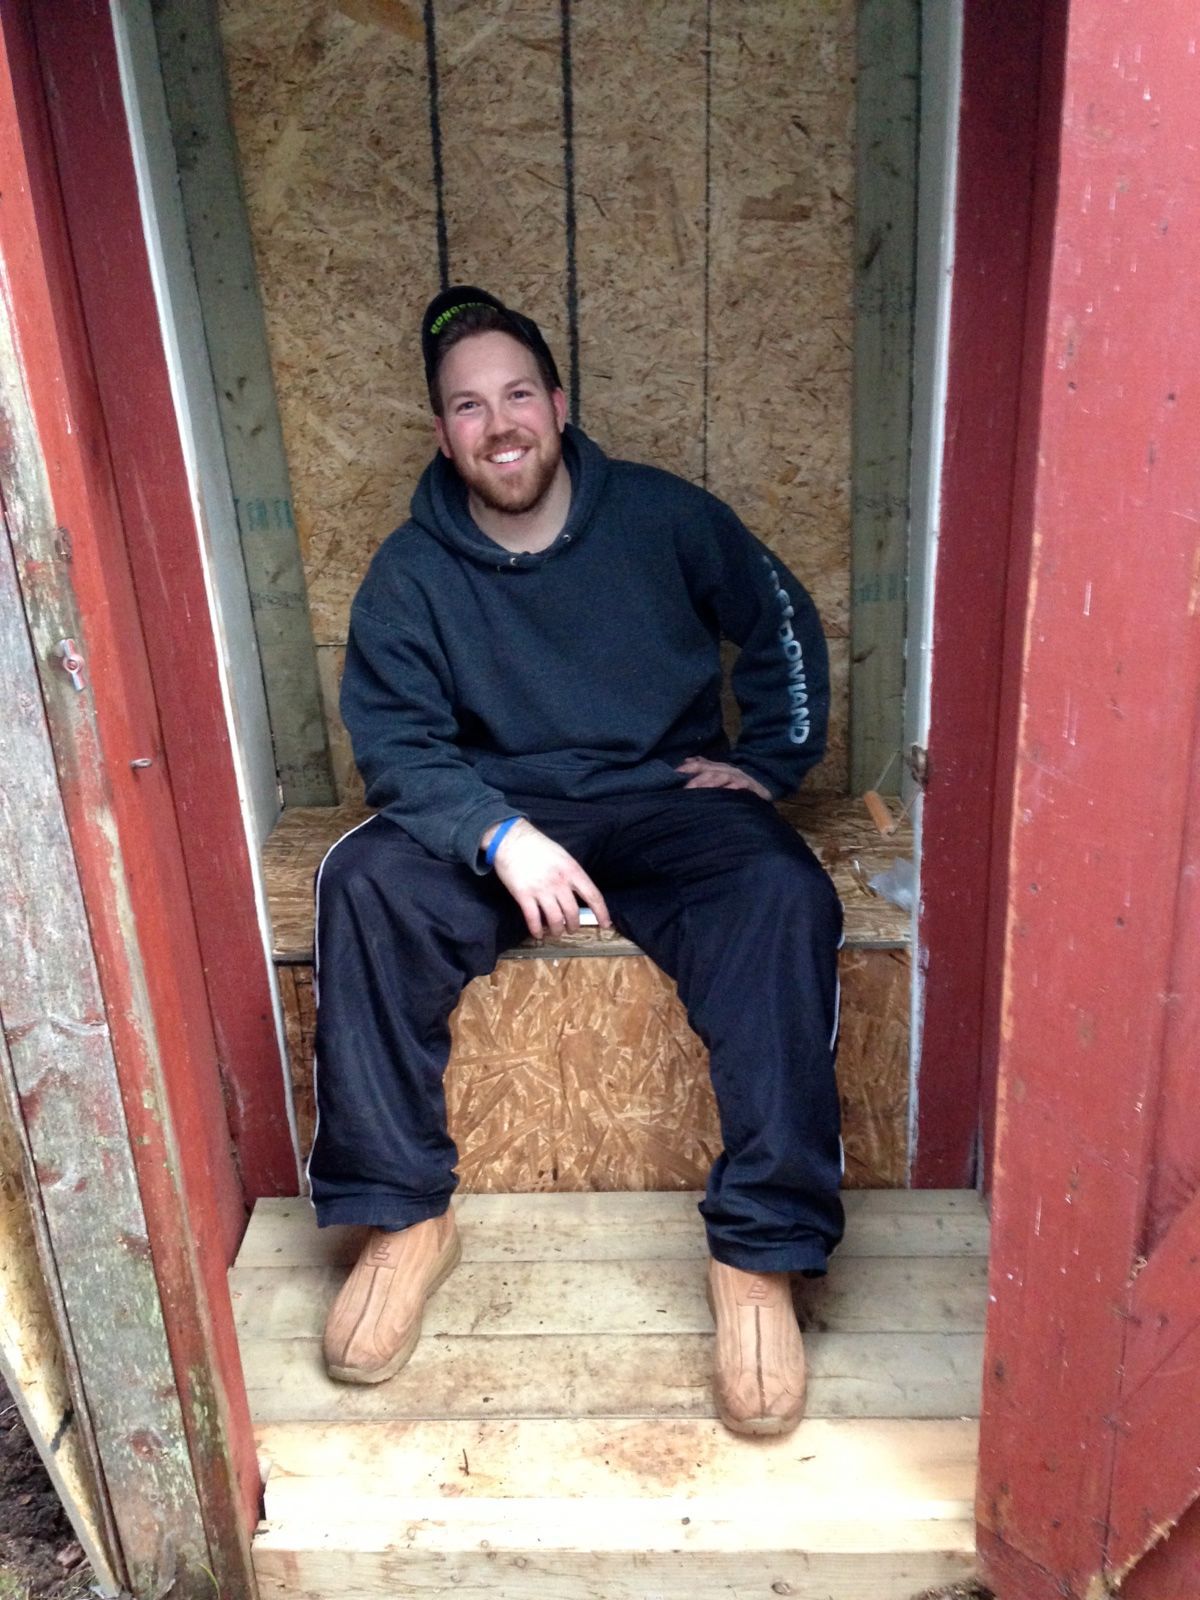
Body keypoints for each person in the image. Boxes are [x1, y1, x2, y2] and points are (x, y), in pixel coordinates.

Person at [311, 286, 844, 1437]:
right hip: (505, 816)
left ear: (557, 404)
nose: (497, 424)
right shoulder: (411, 572)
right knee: (365, 885)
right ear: (442, 430)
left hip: (663, 799)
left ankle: (761, 1254)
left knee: (779, 889)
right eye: (467, 406)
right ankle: (404, 1219)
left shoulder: (663, 516)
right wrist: (497, 834)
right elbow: (396, 746)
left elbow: (781, 619)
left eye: (515, 395)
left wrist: (775, 758)